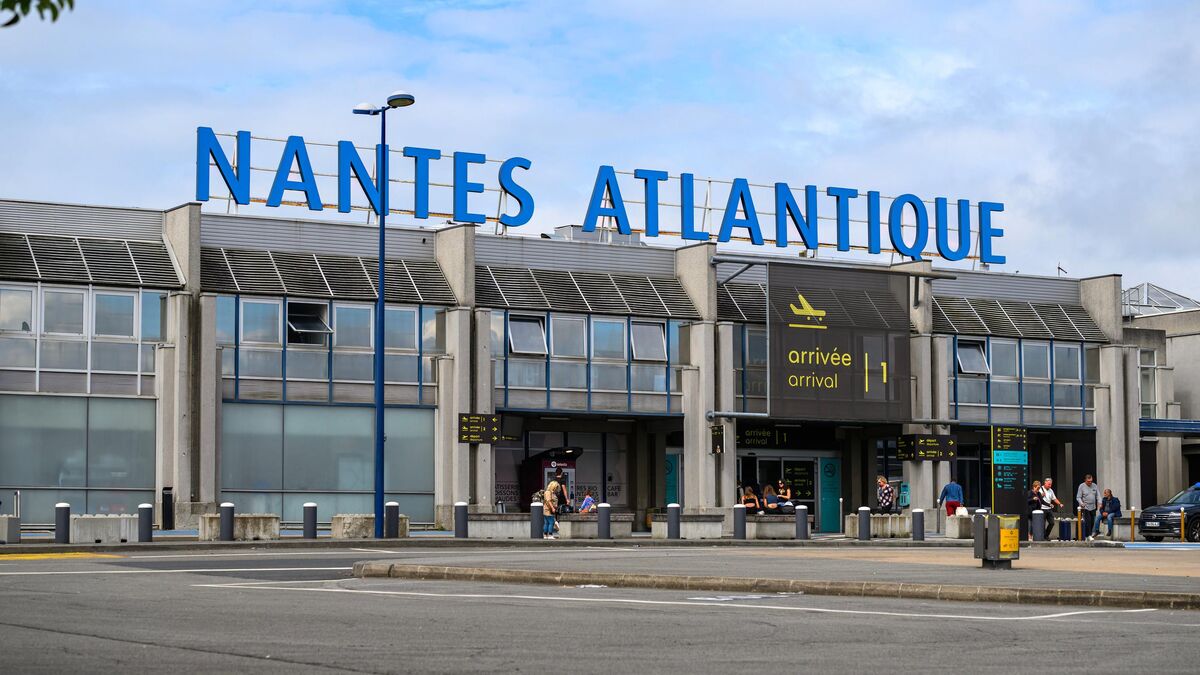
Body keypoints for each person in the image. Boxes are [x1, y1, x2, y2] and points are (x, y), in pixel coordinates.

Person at [1076, 474, 1100, 541]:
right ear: (1085, 480)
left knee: (1092, 521)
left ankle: (1087, 535)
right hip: (1085, 507)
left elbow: (1098, 495)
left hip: (1093, 506)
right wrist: (1081, 503)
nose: (1090, 483)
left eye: (1091, 481)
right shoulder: (1081, 486)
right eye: (1088, 481)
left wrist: (1100, 502)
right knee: (1088, 521)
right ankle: (1089, 535)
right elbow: (1078, 497)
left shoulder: (1094, 485)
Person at [542, 475, 560, 539]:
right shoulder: (548, 492)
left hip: (547, 509)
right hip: (548, 510)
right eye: (556, 487)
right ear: (553, 487)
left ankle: (545, 535)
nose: (556, 489)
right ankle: (550, 535)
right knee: (551, 522)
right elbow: (549, 501)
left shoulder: (550, 492)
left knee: (546, 522)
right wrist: (552, 508)